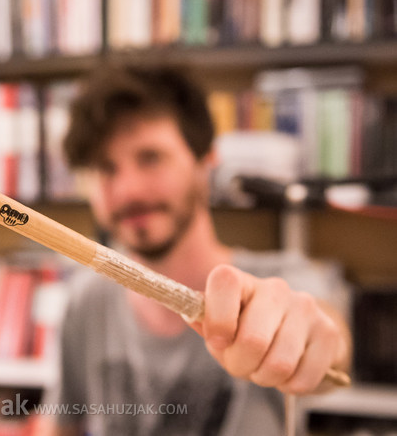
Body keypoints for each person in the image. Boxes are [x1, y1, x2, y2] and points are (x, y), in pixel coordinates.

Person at [40, 65, 351, 435]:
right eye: (106, 168)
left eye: (150, 157)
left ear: (206, 162)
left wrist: (309, 339)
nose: (128, 191)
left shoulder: (284, 279)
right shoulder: (86, 302)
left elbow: (330, 350)